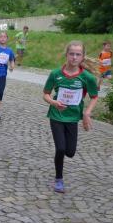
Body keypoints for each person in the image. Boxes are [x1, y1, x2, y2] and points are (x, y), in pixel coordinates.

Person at [42, 41, 99, 194]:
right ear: (66, 55)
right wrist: (54, 102)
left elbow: (94, 97)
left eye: (78, 54)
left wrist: (86, 113)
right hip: (56, 115)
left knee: (70, 152)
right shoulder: (55, 74)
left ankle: (60, 171)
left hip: (73, 118)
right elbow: (45, 94)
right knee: (60, 148)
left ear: (82, 57)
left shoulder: (87, 77)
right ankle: (59, 179)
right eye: (71, 54)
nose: (74, 57)